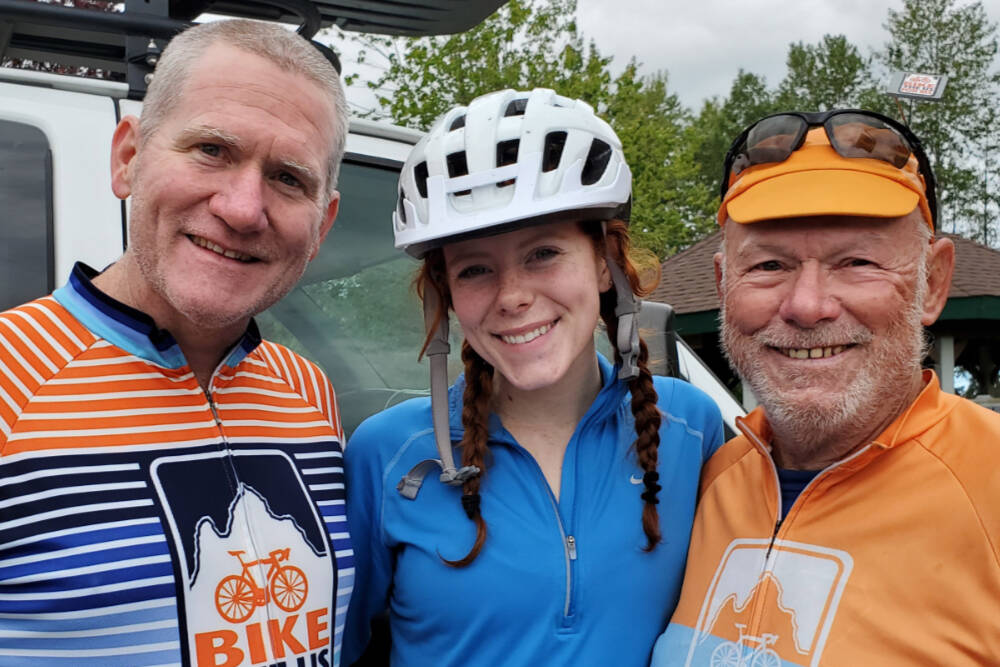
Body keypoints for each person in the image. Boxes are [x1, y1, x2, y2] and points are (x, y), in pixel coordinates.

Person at [0, 20, 353, 667]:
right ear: (128, 157)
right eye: (212, 149)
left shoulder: (309, 393)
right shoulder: (9, 376)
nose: (245, 208)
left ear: (323, 221)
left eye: (288, 178)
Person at [341, 88, 724, 667]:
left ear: (603, 264)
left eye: (543, 253)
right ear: (447, 296)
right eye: (474, 269)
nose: (513, 296)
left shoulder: (690, 426)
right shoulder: (385, 453)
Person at [652, 110, 1000, 665]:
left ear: (933, 283)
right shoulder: (705, 482)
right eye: (768, 265)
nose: (807, 306)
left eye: (857, 261)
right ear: (722, 286)